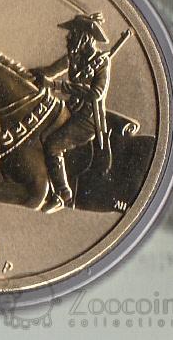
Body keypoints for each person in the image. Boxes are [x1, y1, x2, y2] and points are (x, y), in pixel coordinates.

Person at [34, 13, 111, 213]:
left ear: (84, 37)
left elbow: (96, 93)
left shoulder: (101, 62)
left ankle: (62, 193)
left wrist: (58, 86)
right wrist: (26, 75)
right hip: (70, 111)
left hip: (88, 120)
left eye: (73, 33)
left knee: (52, 145)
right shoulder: (73, 56)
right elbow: (50, 71)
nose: (68, 37)